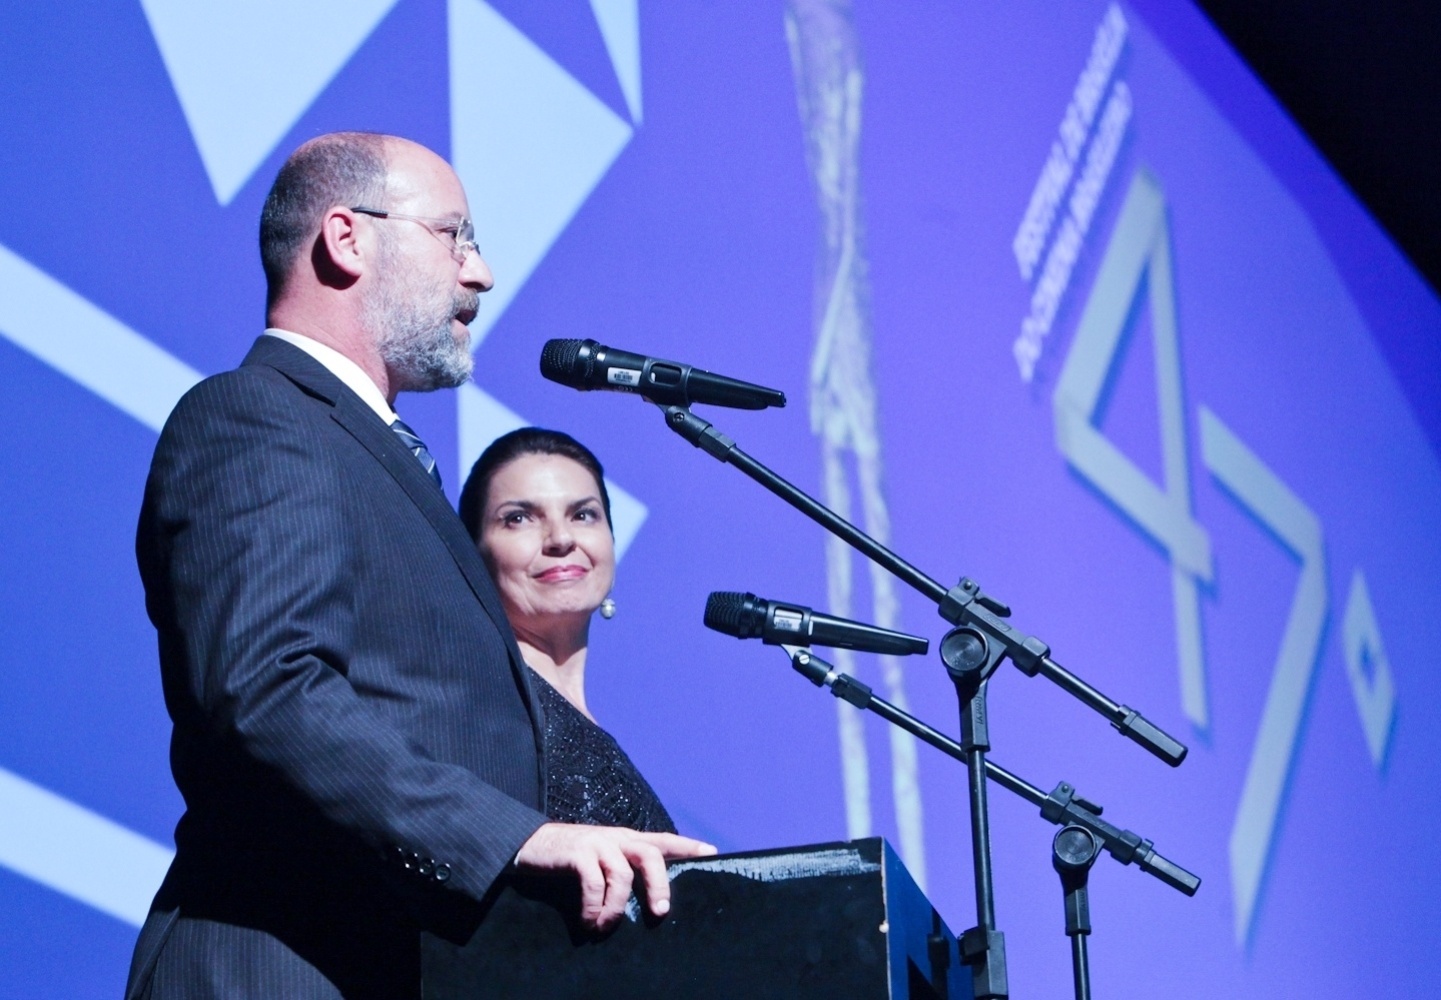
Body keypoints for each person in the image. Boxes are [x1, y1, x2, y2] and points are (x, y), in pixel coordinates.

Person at [125, 132, 712, 1000]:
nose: (479, 274)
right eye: (455, 237)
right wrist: (517, 837)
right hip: (285, 969)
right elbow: (270, 692)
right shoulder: (255, 416)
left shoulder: (380, 459)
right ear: (346, 238)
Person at [459, 429, 674, 834]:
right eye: (518, 518)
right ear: (475, 554)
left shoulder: (584, 720)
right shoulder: (475, 711)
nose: (560, 539)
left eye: (583, 514)